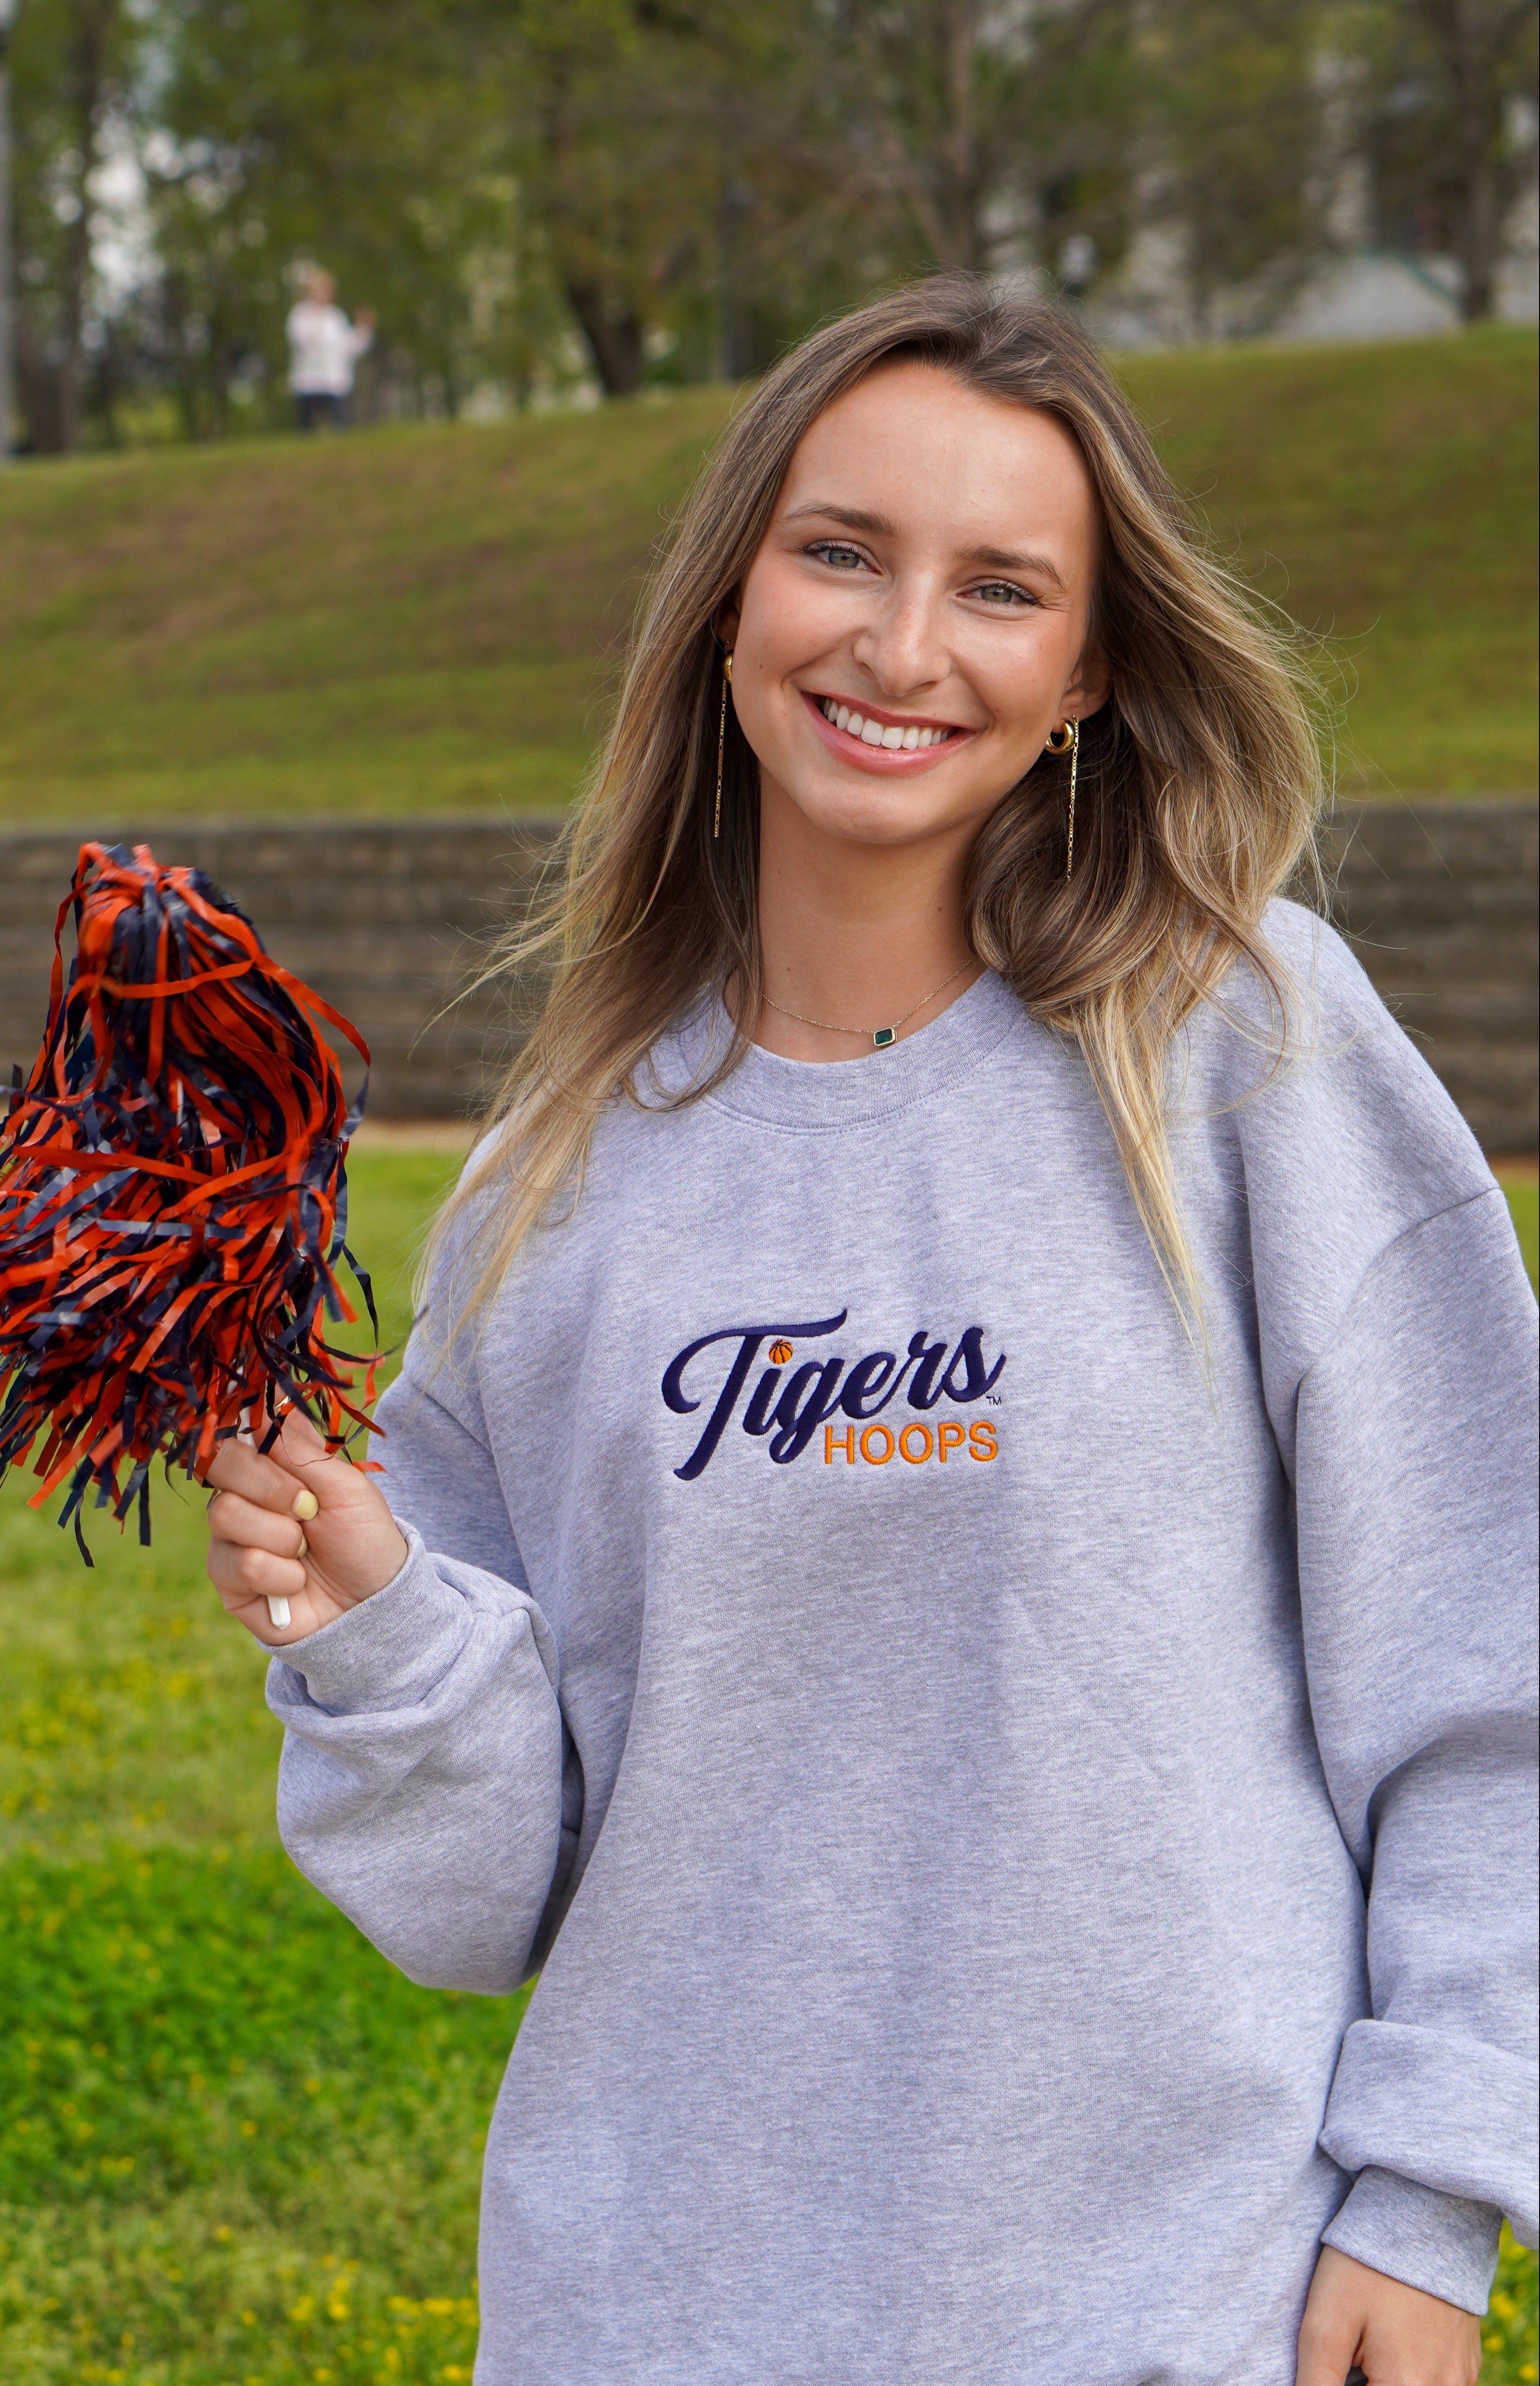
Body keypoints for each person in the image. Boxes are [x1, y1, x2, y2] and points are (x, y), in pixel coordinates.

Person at [203, 277, 1537, 2385]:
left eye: (998, 586)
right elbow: (485, 1903)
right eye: (840, 551)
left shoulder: (1238, 1051)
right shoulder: (544, 1196)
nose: (901, 647)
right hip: (655, 2316)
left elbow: (1486, 1690)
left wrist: (1428, 2195)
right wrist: (372, 1622)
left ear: (1083, 665)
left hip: (1182, 2306)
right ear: (732, 588)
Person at [285, 268, 374, 430]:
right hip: (309, 380)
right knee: (306, 427)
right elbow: (302, 341)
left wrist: (363, 330)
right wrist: (315, 318)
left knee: (339, 425)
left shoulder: (336, 317)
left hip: (334, 381)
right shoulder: (300, 315)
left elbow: (347, 348)